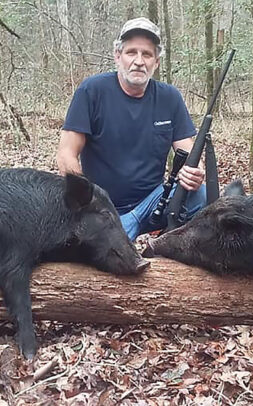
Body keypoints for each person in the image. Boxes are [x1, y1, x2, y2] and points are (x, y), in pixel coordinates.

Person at [57, 17, 207, 241]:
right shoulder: (92, 91)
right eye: (131, 53)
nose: (139, 61)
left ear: (156, 62)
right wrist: (87, 201)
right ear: (118, 56)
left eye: (146, 54)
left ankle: (157, 243)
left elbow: (191, 156)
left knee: (200, 195)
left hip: (153, 204)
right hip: (101, 207)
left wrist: (194, 173)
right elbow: (66, 154)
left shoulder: (170, 98)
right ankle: (117, 232)